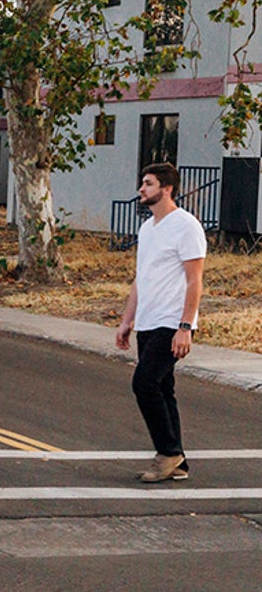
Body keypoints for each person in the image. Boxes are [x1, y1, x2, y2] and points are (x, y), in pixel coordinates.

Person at [115, 162, 206, 483]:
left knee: (145, 383)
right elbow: (141, 279)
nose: (142, 189)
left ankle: (167, 453)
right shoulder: (148, 228)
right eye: (143, 183)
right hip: (149, 322)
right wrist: (127, 320)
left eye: (148, 184)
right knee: (163, 388)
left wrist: (185, 327)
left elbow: (195, 281)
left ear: (166, 189)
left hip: (172, 321)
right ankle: (178, 461)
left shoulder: (186, 226)